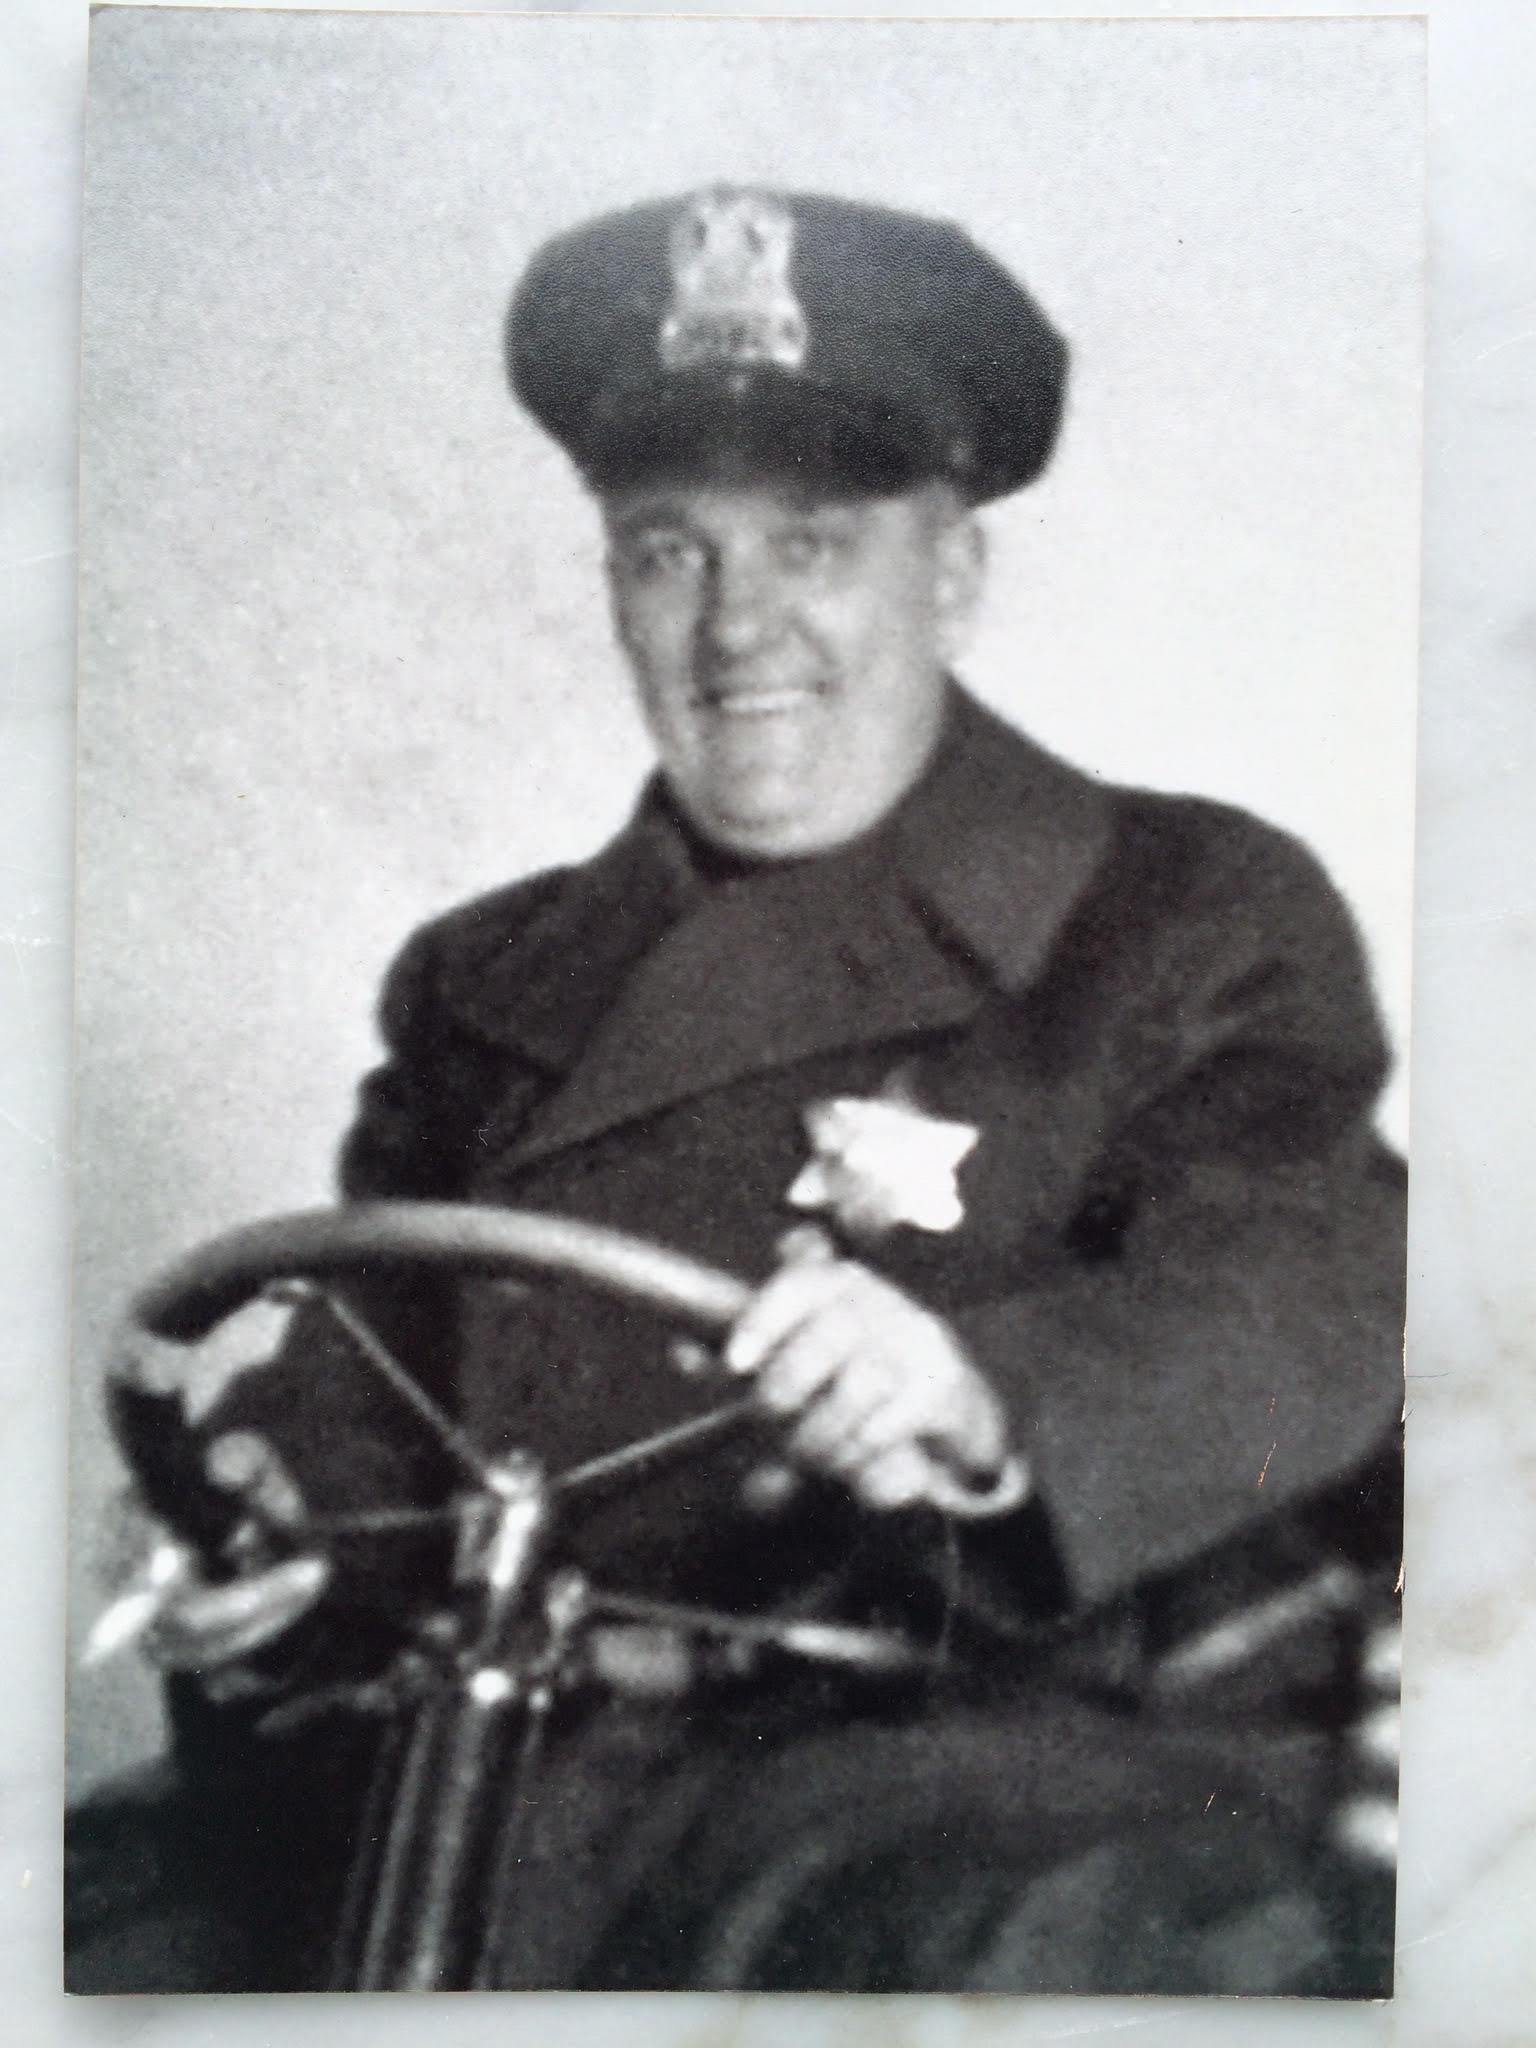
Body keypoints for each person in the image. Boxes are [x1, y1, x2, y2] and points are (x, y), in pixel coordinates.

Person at [68, 186, 1405, 1996]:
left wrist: (982, 1399)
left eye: (811, 545)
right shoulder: (485, 979)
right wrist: (260, 1535)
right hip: (506, 1754)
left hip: (973, 1770)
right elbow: (370, 1390)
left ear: (951, 574)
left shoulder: (1186, 912)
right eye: (669, 552)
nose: (737, 630)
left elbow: (1313, 1290)